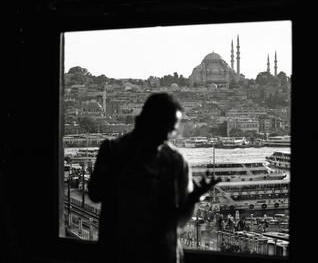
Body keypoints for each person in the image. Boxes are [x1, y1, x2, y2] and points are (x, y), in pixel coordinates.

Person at [88, 93, 220, 263]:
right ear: (144, 121)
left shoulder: (176, 160)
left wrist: (193, 199)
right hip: (120, 253)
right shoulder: (114, 151)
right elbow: (96, 193)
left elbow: (177, 221)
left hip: (162, 254)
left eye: (172, 131)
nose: (167, 136)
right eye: (164, 128)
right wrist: (126, 158)